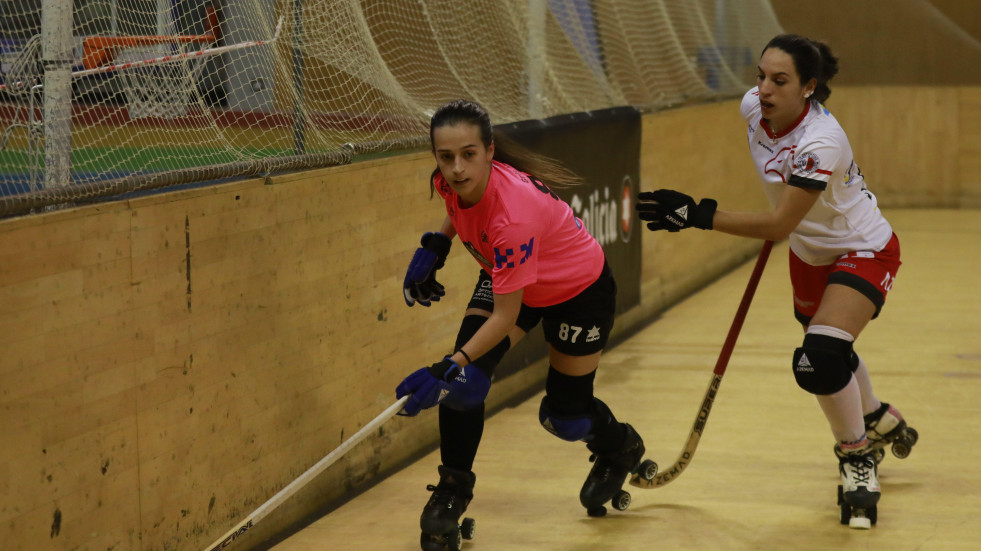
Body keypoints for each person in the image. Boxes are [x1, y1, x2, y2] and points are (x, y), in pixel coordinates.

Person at [636, 34, 917, 529]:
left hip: (863, 248)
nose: (763, 89)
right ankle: (875, 417)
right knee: (830, 347)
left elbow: (777, 226)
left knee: (819, 359)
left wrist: (697, 213)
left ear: (809, 87)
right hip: (810, 253)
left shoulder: (821, 142)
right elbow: (789, 221)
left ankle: (856, 456)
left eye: (779, 80)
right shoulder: (754, 108)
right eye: (761, 76)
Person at [396, 99, 655, 549]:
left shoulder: (513, 216)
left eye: (469, 155)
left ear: (490, 150)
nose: (457, 169)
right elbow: (459, 209)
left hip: (578, 291)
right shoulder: (448, 180)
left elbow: (505, 317)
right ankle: (452, 490)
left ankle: (620, 446)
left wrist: (449, 362)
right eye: (446, 156)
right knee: (467, 386)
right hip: (513, 280)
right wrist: (439, 242)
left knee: (565, 419)